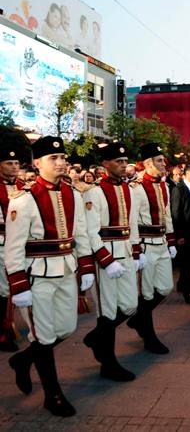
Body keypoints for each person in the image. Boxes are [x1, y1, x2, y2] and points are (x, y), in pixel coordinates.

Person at [6, 136, 96, 417]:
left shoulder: (72, 194)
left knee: (66, 328)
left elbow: (80, 234)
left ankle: (23, 360)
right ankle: (52, 394)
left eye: (62, 158)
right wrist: (19, 286)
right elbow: (13, 247)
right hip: (37, 277)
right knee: (44, 336)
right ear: (36, 163)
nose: (61, 162)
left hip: (66, 270)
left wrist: (86, 268)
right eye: (52, 159)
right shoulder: (24, 200)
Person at [81, 143, 143, 382]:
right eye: (118, 161)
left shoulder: (129, 190)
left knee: (129, 305)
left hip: (126, 253)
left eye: (125, 161)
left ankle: (96, 338)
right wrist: (106, 260)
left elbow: (132, 224)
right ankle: (108, 363)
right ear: (105, 164)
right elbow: (90, 231)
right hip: (106, 257)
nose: (123, 165)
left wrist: (137, 253)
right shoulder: (94, 193)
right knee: (107, 311)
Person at [126, 143, 177, 354]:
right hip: (146, 243)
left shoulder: (163, 185)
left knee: (165, 288)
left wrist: (171, 240)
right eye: (158, 160)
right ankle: (149, 336)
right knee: (146, 293)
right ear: (147, 163)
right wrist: (136, 250)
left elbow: (167, 215)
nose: (163, 164)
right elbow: (131, 221)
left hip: (162, 242)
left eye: (163, 160)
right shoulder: (136, 187)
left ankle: (138, 319)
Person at [0, 127, 31, 352]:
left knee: (15, 287)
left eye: (16, 163)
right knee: (3, 290)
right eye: (8, 163)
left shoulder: (24, 188)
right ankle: (4, 331)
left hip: (20, 244)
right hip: (1, 242)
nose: (13, 166)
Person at [170, 162, 190, 304]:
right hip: (184, 233)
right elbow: (175, 214)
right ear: (188, 173)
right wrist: (179, 236)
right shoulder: (179, 189)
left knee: (189, 261)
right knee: (186, 262)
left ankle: (182, 284)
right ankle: (189, 293)